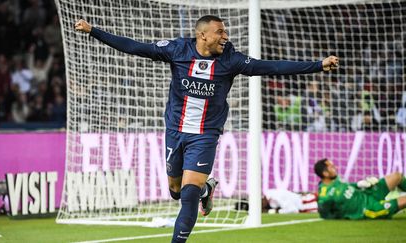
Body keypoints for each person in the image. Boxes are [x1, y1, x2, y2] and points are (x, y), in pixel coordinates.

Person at [75, 15, 339, 242]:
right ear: (202, 35)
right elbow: (134, 47)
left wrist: (317, 65)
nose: (225, 35)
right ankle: (206, 189)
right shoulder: (177, 50)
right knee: (176, 191)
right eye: (219, 31)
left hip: (205, 135)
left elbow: (271, 66)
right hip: (175, 131)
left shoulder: (231, 60)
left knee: (187, 195)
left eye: (225, 31)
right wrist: (94, 31)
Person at [314, 158, 406, 219]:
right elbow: (324, 213)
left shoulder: (336, 179)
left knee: (397, 176)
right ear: (325, 173)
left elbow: (346, 187)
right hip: (368, 209)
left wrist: (359, 184)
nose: (335, 168)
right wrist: (344, 216)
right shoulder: (325, 195)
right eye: (332, 167)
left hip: (368, 193)